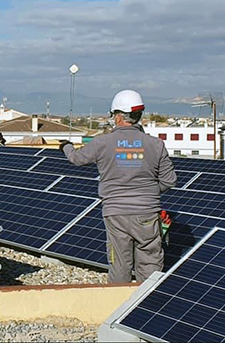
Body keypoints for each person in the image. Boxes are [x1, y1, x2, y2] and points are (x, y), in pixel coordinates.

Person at [59, 90, 176, 283]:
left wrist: (66, 146)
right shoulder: (155, 144)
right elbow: (169, 180)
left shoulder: (103, 142)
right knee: (150, 265)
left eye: (113, 115)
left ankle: (120, 308)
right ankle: (148, 305)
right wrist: (147, 193)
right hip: (147, 214)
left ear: (120, 116)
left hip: (115, 214)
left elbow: (77, 159)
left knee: (120, 264)